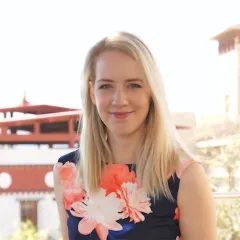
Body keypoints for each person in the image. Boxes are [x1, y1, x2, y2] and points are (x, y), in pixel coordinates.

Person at [53, 32, 217, 240]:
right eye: (106, 86)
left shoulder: (185, 177)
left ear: (151, 91)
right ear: (92, 92)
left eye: (133, 85)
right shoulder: (67, 172)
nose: (119, 99)